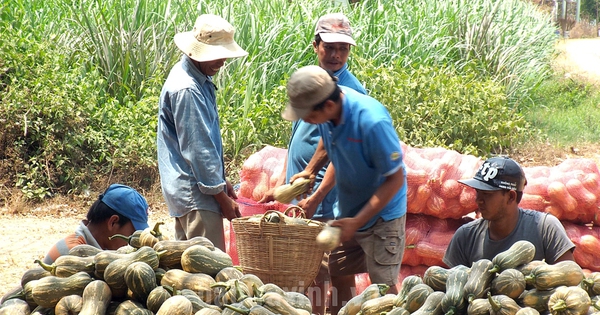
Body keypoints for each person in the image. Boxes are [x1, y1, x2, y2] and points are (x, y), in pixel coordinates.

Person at [260, 14, 366, 313]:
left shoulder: (350, 92)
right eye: (330, 47)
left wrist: (316, 194)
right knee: (315, 274)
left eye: (343, 49)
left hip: (328, 200)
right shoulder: (309, 82)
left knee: (330, 273)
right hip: (304, 195)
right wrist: (284, 182)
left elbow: (342, 154)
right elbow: (296, 138)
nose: (336, 55)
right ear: (315, 45)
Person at [283, 65, 407, 315]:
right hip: (347, 211)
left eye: (308, 115)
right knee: (339, 275)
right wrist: (311, 174)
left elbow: (395, 179)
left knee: (383, 291)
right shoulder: (330, 114)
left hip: (382, 217)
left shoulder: (372, 122)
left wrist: (358, 220)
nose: (305, 121)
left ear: (327, 106)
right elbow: (331, 145)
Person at [157, 14, 246, 251]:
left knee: (187, 274)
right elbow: (199, 151)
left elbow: (202, 142)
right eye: (216, 55)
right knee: (208, 278)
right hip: (196, 196)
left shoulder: (195, 76)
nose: (222, 61)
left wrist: (221, 180)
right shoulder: (188, 89)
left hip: (191, 193)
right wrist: (222, 199)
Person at [442, 156, 575, 268]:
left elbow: (570, 277)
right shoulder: (465, 237)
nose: (478, 200)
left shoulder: (545, 227)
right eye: (478, 192)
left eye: (487, 194)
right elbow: (450, 289)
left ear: (511, 197)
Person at [43, 184, 150, 264]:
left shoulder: (100, 249)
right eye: (132, 234)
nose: (133, 242)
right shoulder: (74, 254)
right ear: (113, 223)